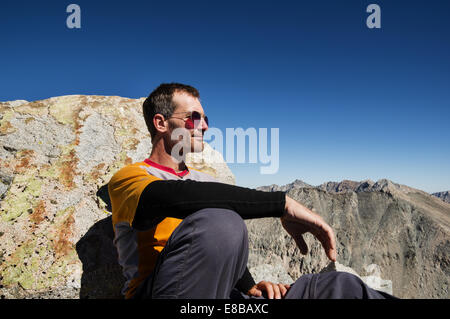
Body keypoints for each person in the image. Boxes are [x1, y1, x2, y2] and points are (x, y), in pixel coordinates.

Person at [108, 83, 396, 299]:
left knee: (340, 288)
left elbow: (215, 241)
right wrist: (281, 204)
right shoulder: (130, 179)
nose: (205, 126)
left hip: (227, 296)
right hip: (161, 292)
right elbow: (176, 199)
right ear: (161, 123)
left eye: (206, 118)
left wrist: (249, 285)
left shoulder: (204, 181)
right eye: (194, 118)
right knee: (222, 221)